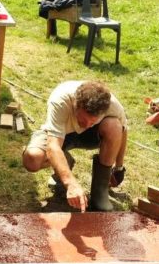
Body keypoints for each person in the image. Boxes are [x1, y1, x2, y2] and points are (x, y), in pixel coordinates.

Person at [22, 80, 128, 212]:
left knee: (114, 126)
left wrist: (119, 167)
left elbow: (123, 131)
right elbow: (53, 145)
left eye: (93, 121)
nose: (87, 125)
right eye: (83, 120)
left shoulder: (113, 105)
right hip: (60, 134)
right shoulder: (61, 100)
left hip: (91, 137)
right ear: (75, 105)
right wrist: (71, 183)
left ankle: (99, 193)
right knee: (32, 159)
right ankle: (64, 161)